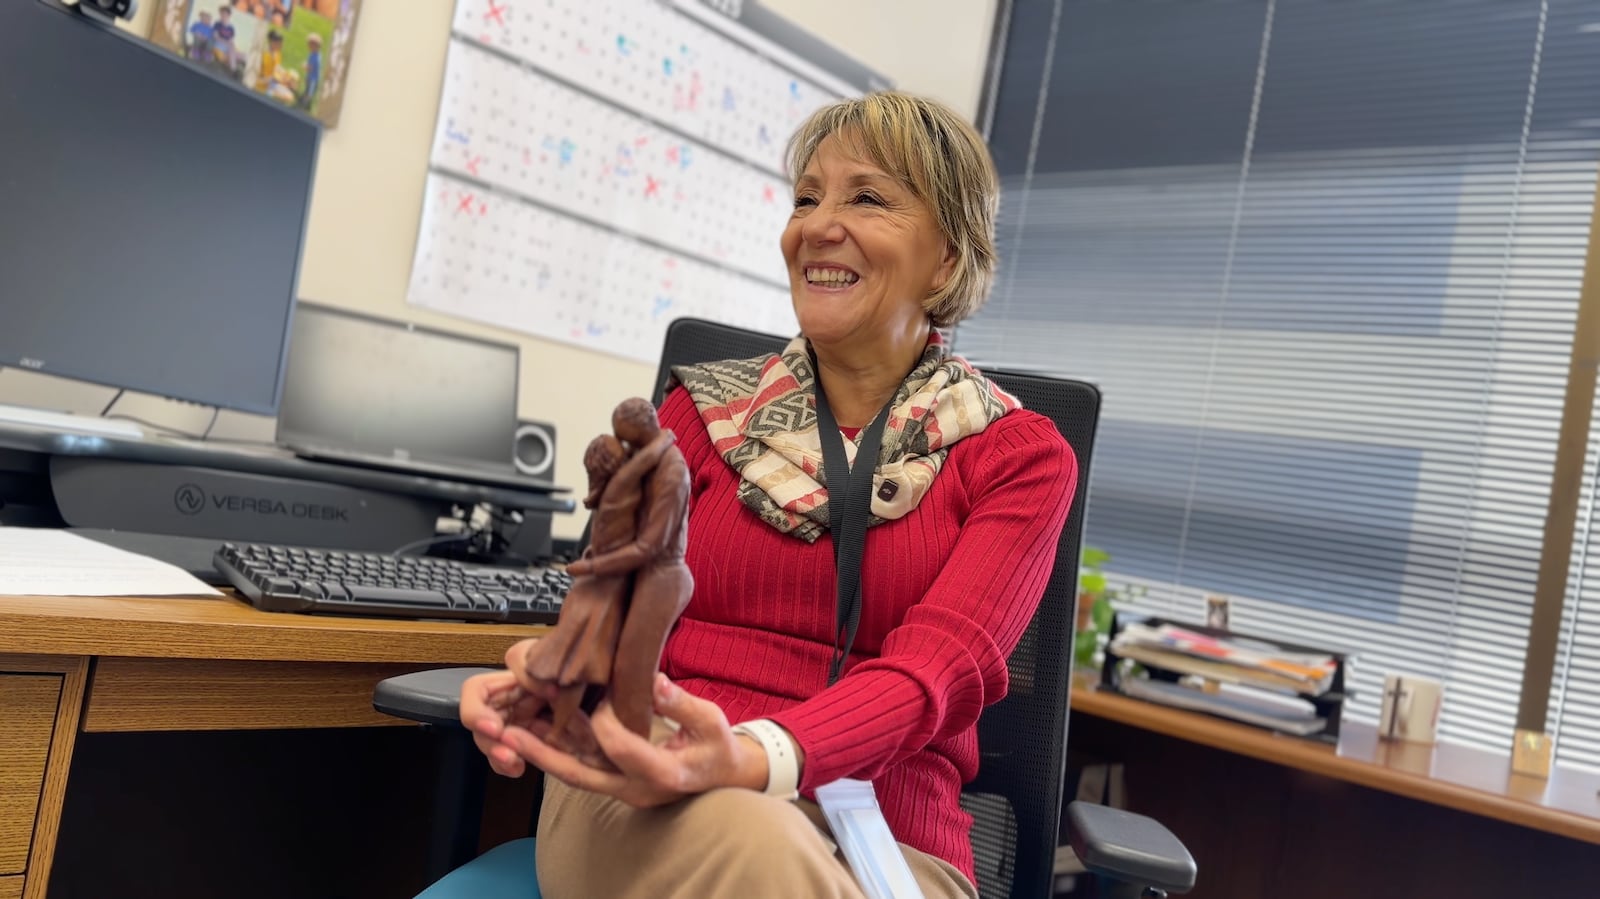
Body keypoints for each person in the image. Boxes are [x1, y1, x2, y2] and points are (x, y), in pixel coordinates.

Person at [460, 91, 1078, 899]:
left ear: (949, 259)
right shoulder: (702, 414)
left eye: (866, 197)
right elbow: (607, 609)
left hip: (890, 842)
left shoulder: (1020, 457)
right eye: (806, 197)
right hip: (658, 782)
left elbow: (938, 672)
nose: (817, 225)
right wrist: (542, 673)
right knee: (753, 837)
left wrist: (763, 753)